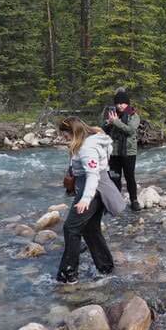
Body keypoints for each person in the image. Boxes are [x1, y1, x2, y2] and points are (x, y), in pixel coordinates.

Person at [56, 116, 115, 284]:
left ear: (72, 132)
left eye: (64, 134)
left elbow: (93, 174)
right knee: (90, 228)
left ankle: (68, 274)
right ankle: (105, 266)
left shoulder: (87, 147)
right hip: (94, 190)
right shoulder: (88, 142)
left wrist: (86, 199)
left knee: (71, 228)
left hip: (92, 192)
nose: (63, 137)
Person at [104, 88, 142, 211]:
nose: (120, 106)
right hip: (114, 152)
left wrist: (115, 122)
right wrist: (108, 123)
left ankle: (134, 200)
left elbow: (130, 130)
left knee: (130, 177)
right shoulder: (111, 114)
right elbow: (103, 130)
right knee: (114, 177)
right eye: (118, 103)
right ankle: (116, 202)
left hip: (129, 152)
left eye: (122, 103)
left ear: (127, 103)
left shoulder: (134, 116)